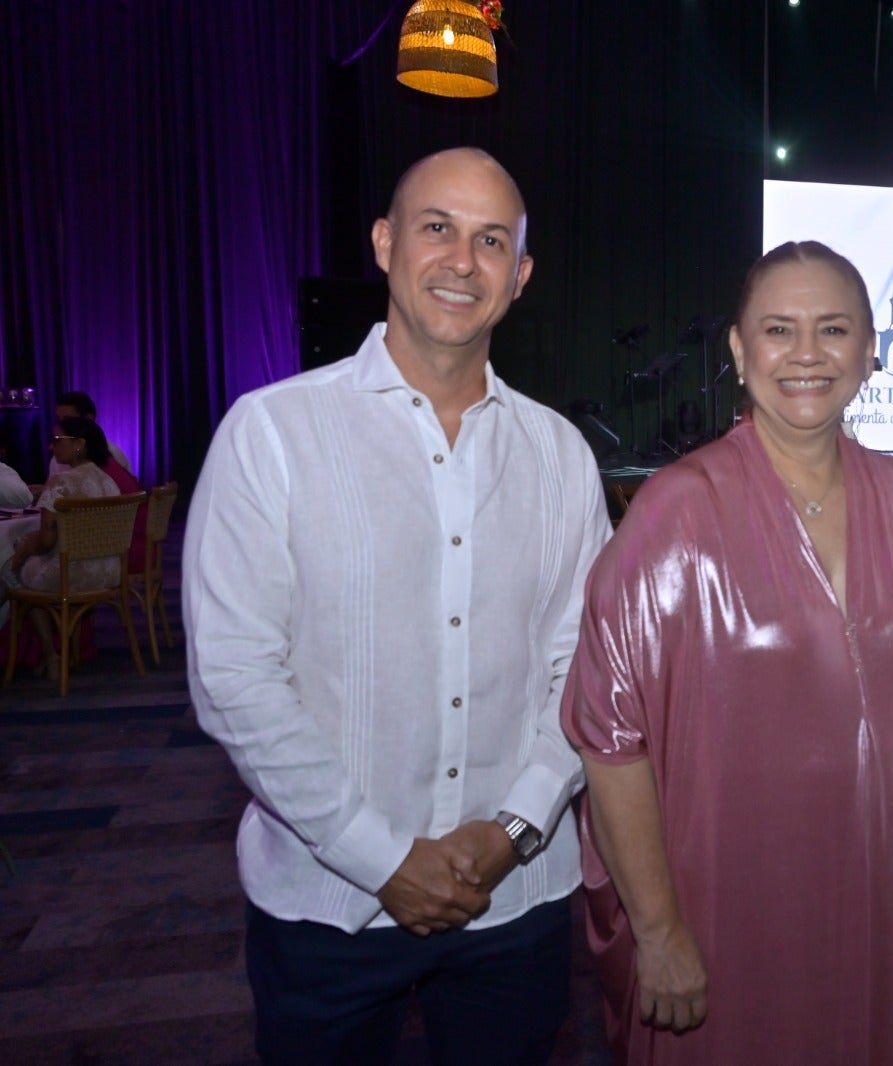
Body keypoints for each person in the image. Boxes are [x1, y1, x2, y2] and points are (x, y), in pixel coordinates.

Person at [184, 148, 610, 1065]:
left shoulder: (561, 456)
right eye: (437, 228)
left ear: (520, 276)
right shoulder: (272, 433)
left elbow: (584, 672)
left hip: (517, 902)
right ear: (385, 244)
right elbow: (234, 678)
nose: (462, 260)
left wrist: (515, 830)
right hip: (324, 905)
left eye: (491, 241)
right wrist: (379, 855)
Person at [561, 241, 893, 1064]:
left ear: (870, 349)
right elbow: (609, 739)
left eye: (833, 329)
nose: (807, 353)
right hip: (728, 906)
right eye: (778, 330)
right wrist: (658, 931)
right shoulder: (677, 511)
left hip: (881, 903)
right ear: (739, 350)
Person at [2, 417, 124, 677]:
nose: (51, 446)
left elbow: (47, 541)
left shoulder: (60, 483)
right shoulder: (109, 482)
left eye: (57, 440)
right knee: (22, 562)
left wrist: (26, 545)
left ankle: (50, 654)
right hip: (110, 572)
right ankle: (59, 654)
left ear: (79, 444)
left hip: (73, 575)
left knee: (12, 569)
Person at [48, 391, 131, 477]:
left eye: (67, 419)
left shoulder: (112, 454)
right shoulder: (57, 458)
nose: (61, 424)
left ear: (89, 419)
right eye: (59, 419)